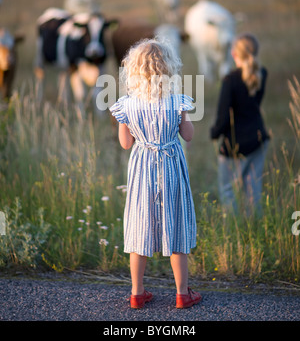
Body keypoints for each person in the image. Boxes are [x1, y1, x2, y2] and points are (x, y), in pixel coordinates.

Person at [109, 39, 202, 309]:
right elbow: (188, 136)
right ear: (168, 69)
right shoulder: (176, 101)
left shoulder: (126, 104)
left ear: (134, 70)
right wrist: (181, 118)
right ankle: (182, 293)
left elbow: (126, 144)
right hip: (171, 165)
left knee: (140, 226)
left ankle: (137, 293)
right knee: (176, 225)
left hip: (142, 168)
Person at [210, 33, 269, 215]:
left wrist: (214, 133)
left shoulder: (230, 80)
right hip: (258, 138)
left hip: (233, 144)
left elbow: (223, 117)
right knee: (254, 190)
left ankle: (232, 231)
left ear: (234, 54)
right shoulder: (262, 73)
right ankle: (256, 227)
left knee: (228, 191)